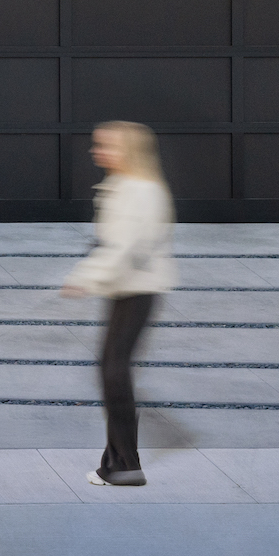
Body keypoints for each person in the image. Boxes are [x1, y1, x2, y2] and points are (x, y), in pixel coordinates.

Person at [60, 120, 177, 487]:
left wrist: (86, 279)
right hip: (128, 287)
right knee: (113, 371)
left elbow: (123, 248)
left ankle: (124, 464)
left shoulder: (139, 190)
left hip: (137, 289)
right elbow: (112, 244)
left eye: (106, 146)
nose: (97, 152)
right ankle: (121, 463)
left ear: (127, 151)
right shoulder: (124, 186)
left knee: (114, 372)